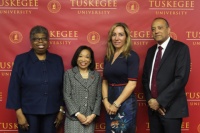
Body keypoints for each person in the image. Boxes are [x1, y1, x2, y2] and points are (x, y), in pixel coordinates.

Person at [6, 25, 65, 133]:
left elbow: (62, 88)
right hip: (28, 114)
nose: (40, 42)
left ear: (48, 41)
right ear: (31, 41)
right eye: (36, 39)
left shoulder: (57, 60)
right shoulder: (21, 60)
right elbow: (14, 87)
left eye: (44, 38)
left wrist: (61, 110)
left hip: (52, 113)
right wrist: (19, 114)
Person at [142, 17, 190, 133]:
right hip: (153, 110)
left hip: (172, 110)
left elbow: (181, 78)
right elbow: (145, 79)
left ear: (168, 30)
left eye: (160, 28)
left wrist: (159, 101)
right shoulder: (151, 51)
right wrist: (151, 101)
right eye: (153, 29)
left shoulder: (181, 48)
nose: (156, 31)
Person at [102, 22, 140, 133]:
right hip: (110, 99)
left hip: (125, 101)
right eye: (114, 35)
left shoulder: (132, 56)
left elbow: (132, 84)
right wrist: (105, 101)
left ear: (126, 37)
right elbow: (104, 81)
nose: (117, 38)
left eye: (121, 34)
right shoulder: (108, 56)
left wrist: (116, 104)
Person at [63, 45, 102, 133]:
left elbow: (99, 97)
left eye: (87, 57)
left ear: (91, 60)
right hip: (73, 119)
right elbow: (66, 96)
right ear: (76, 58)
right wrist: (78, 114)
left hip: (89, 119)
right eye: (80, 56)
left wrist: (93, 115)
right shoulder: (69, 74)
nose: (83, 59)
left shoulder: (96, 76)